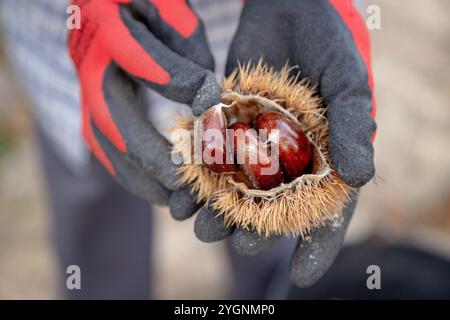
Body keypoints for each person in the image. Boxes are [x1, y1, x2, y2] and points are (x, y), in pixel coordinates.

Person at [1, 0, 376, 299]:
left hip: (260, 33)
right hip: (78, 27)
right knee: (97, 188)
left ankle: (270, 293)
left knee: (270, 240)